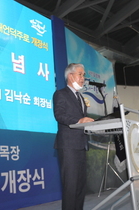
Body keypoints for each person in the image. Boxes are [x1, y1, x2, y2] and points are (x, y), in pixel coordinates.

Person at [53, 63, 94, 210]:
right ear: (71, 76)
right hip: (68, 145)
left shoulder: (80, 97)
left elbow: (83, 120)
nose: (83, 78)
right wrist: (78, 121)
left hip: (81, 145)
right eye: (80, 74)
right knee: (71, 186)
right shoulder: (61, 94)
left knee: (80, 186)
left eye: (83, 75)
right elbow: (60, 115)